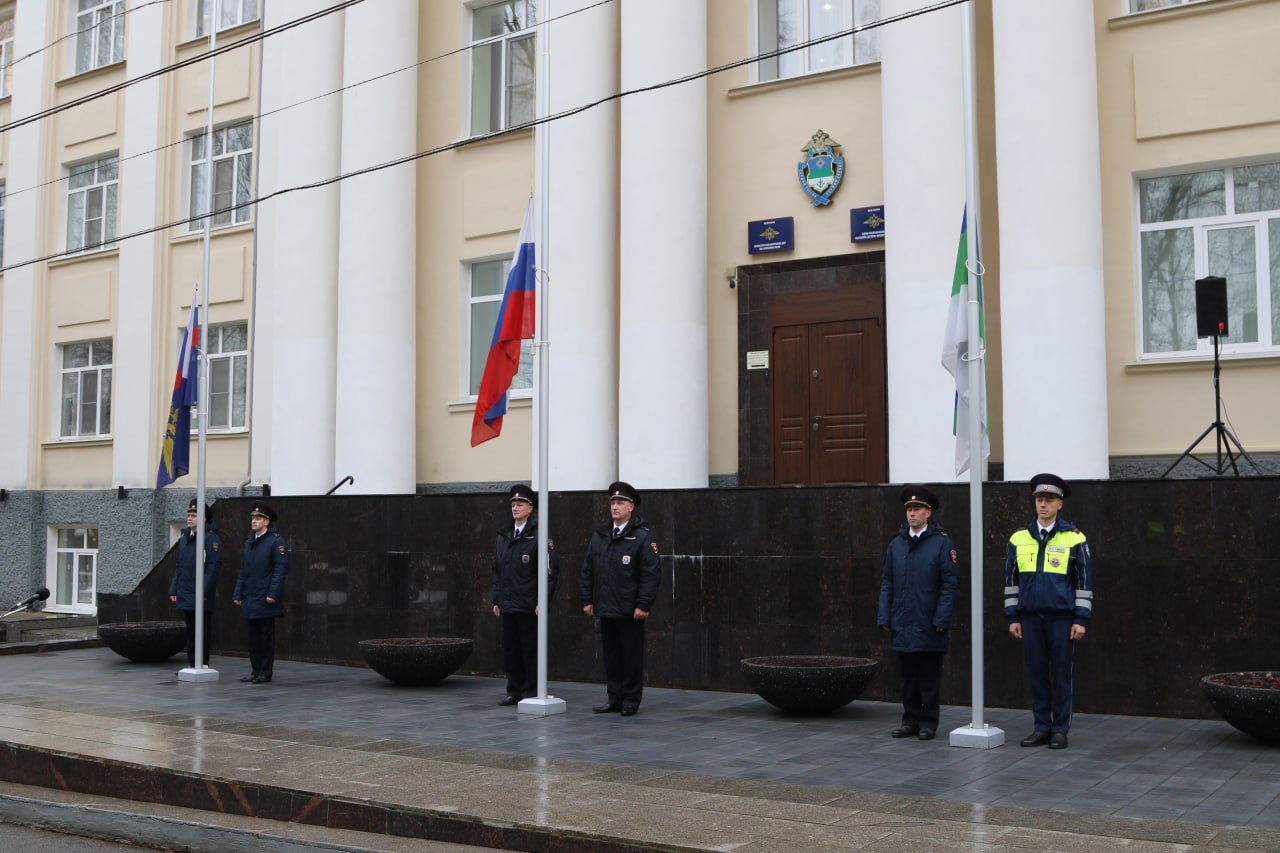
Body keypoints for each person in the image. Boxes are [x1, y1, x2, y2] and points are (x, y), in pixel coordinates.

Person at [1004, 473, 1093, 749]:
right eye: (1040, 500)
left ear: (1060, 504)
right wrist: (1013, 617)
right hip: (1030, 617)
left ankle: (1060, 730)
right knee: (1037, 674)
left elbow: (1084, 581)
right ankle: (1041, 726)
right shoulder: (1018, 538)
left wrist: (1081, 618)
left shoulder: (1075, 538)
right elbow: (1010, 581)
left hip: (1062, 618)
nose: (1043, 504)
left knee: (1061, 674)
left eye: (1049, 500)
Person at [876, 485, 958, 740]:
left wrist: (941, 618)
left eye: (918, 509)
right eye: (909, 509)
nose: (912, 514)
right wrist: (884, 616)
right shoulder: (897, 544)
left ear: (928, 513)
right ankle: (909, 720)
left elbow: (949, 585)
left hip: (929, 622)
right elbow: (887, 582)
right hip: (903, 620)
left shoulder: (942, 544)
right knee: (908, 676)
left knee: (929, 677)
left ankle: (928, 723)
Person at [580, 481, 660, 717]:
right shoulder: (600, 535)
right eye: (613, 503)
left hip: (629, 609)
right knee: (612, 657)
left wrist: (643, 604)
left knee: (631, 657)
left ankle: (630, 701)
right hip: (606, 606)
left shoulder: (642, 537)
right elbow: (588, 569)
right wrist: (587, 599)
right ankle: (614, 698)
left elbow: (651, 574)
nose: (615, 507)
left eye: (620, 503)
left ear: (631, 507)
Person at [492, 483, 559, 706]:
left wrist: (543, 600)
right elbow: (497, 570)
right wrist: (496, 598)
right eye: (513, 504)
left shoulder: (540, 534)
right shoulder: (504, 535)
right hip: (509, 602)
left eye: (520, 504)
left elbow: (550, 570)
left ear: (531, 508)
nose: (515, 507)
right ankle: (514, 689)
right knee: (511, 650)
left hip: (529, 604)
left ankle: (530, 690)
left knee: (530, 650)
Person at [233, 500, 288, 684]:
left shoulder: (275, 542)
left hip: (265, 597)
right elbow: (243, 570)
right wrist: (238, 593)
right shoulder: (249, 542)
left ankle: (265, 672)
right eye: (253, 518)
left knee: (265, 638)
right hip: (251, 596)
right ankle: (255, 670)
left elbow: (280, 571)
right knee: (253, 638)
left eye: (258, 518)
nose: (254, 521)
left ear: (267, 521)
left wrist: (272, 594)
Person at [169, 498, 222, 669]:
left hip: (201, 595)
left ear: (204, 519)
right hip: (186, 592)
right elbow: (180, 566)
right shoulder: (186, 538)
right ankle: (192, 664)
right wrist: (174, 589)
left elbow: (212, 569)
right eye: (189, 515)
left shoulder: (210, 539)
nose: (189, 518)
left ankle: (203, 663)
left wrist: (203, 592)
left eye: (194, 515)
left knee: (202, 631)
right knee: (191, 631)